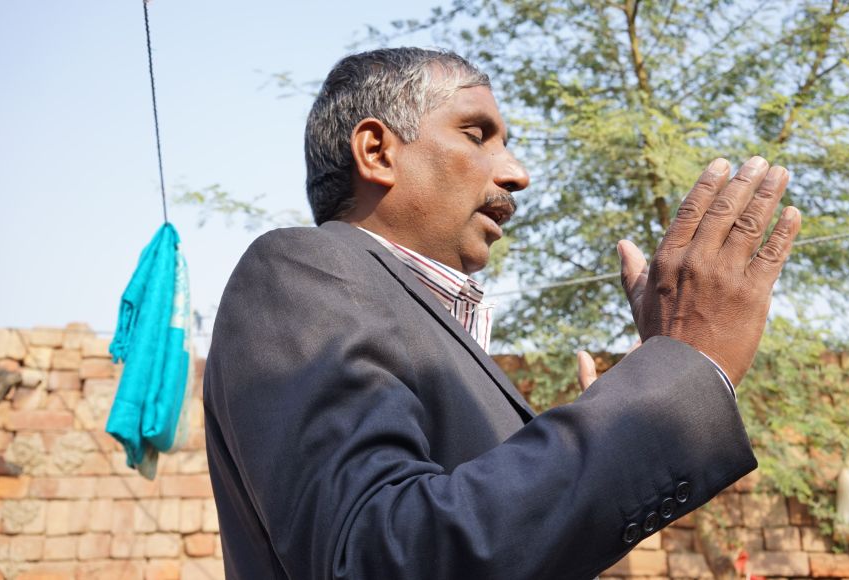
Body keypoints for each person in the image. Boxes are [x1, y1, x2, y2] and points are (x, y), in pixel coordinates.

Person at [204, 47, 801, 579]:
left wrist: (617, 416)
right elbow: (381, 555)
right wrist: (680, 370)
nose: (516, 173)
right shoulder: (302, 268)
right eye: (476, 133)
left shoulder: (435, 335)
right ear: (377, 150)